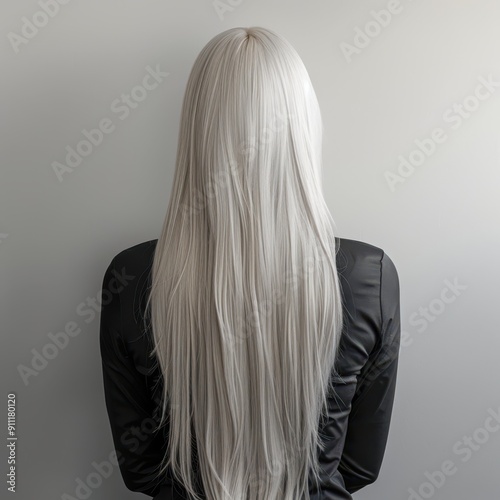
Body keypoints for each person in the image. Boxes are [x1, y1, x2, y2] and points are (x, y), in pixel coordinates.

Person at [99, 26, 401, 500]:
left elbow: (141, 470)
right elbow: (360, 466)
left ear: (197, 132)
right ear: (303, 128)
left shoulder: (133, 276)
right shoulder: (369, 274)